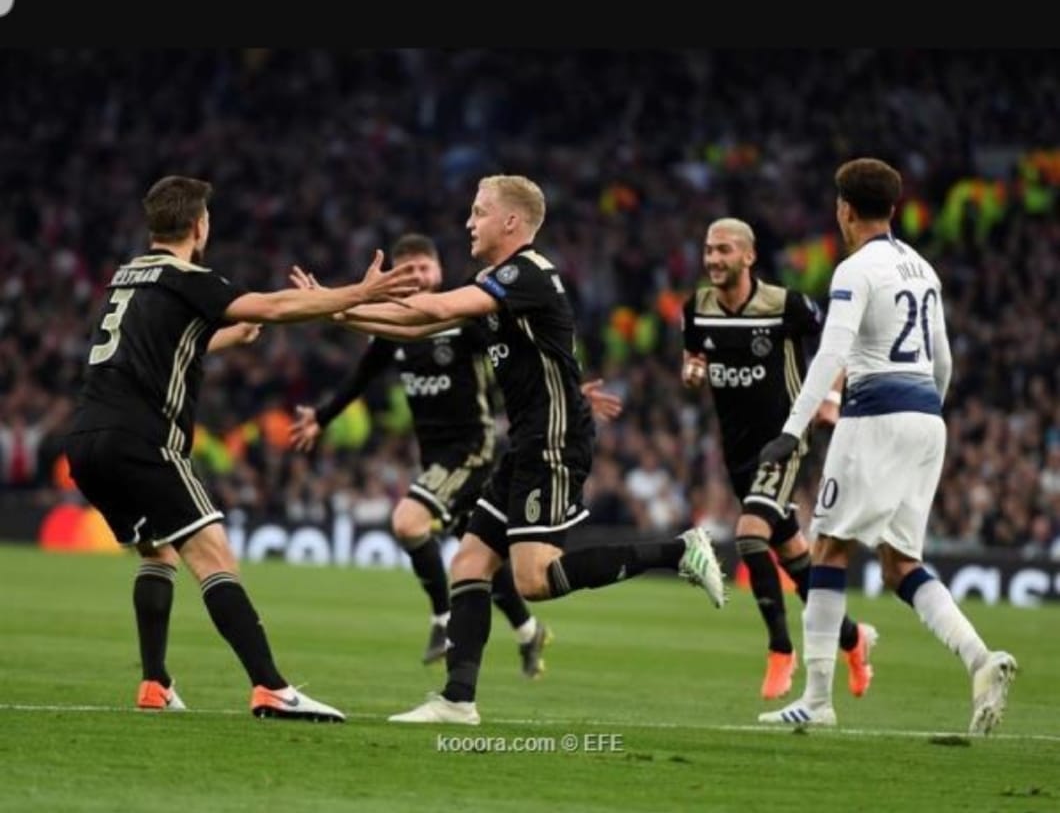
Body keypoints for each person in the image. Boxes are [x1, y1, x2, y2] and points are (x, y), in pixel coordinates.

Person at [331, 173, 727, 725]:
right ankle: (457, 701)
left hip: (553, 439)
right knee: (470, 562)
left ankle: (679, 551)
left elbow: (430, 312)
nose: (469, 222)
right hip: (527, 440)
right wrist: (339, 310)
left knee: (534, 580)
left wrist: (345, 301)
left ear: (511, 221)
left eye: (479, 212)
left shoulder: (526, 273)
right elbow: (418, 330)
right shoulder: (496, 281)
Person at [63, 175, 418, 723]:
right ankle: (270, 687)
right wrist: (358, 294)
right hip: (142, 440)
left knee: (157, 552)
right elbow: (274, 306)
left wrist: (232, 333)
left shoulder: (127, 277)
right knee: (214, 556)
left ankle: (155, 683)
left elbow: (169, 348)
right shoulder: (189, 278)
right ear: (199, 226)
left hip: (86, 440)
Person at [756, 158, 1017, 734]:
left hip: (875, 416)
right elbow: (943, 361)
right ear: (894, 209)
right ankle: (981, 659)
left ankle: (817, 699)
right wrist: (924, 415)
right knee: (900, 566)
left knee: (828, 550)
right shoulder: (923, 268)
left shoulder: (855, 270)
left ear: (844, 210)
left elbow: (832, 353)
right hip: (925, 418)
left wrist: (792, 429)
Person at [289, 232, 620, 677]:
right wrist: (322, 417)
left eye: (424, 267)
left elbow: (524, 357)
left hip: (471, 450)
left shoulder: (467, 317)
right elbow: (361, 377)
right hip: (434, 457)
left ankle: (443, 618)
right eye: (407, 270)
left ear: (440, 270)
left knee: (407, 522)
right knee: (478, 559)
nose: (418, 276)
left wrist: (569, 392)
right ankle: (528, 632)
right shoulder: (394, 330)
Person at [681, 218, 877, 700]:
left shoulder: (785, 306)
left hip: (786, 440)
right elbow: (694, 357)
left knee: (750, 536)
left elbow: (843, 342)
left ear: (748, 256)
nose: (713, 259)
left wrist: (831, 397)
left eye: (724, 250)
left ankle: (780, 651)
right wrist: (692, 371)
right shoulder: (696, 308)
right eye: (708, 250)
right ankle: (853, 640)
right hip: (738, 453)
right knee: (796, 562)